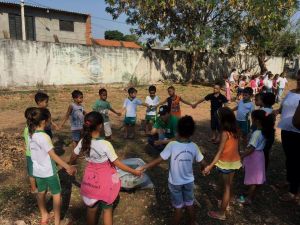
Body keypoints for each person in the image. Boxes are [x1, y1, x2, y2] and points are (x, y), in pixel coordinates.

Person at [69, 111, 142, 225]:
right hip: (105, 181)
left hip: (90, 180)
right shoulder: (105, 144)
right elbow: (117, 163)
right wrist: (134, 171)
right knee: (107, 210)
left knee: (91, 209)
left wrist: (70, 164)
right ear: (100, 126)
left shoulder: (84, 141)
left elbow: (74, 155)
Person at [141, 116, 205, 225]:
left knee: (178, 208)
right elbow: (202, 162)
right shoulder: (194, 146)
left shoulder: (172, 145)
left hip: (175, 183)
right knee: (190, 204)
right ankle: (192, 222)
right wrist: (204, 168)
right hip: (189, 182)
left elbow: (158, 160)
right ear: (192, 132)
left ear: (178, 130)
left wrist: (144, 167)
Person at [27, 107, 76, 225]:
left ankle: (44, 216)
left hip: (37, 171)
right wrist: (67, 167)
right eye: (49, 119)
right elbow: (53, 155)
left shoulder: (31, 134)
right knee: (56, 194)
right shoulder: (44, 137)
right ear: (44, 121)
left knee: (41, 192)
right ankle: (57, 222)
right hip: (49, 171)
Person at [204, 107, 241, 221]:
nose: (217, 119)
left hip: (226, 163)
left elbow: (219, 152)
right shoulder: (236, 129)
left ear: (223, 119)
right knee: (229, 184)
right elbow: (234, 147)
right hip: (234, 162)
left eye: (218, 118)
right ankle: (227, 202)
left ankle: (221, 213)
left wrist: (209, 166)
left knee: (226, 188)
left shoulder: (225, 132)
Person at [238, 110, 274, 204]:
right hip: (260, 156)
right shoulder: (265, 131)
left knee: (253, 179)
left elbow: (251, 149)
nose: (251, 120)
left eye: (252, 118)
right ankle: (251, 193)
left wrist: (241, 155)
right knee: (256, 178)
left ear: (257, 121)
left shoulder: (256, 133)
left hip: (253, 157)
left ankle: (248, 198)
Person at [276, 71, 300, 202]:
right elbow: (282, 107)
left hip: (297, 133)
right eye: (298, 79)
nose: (299, 82)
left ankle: (293, 191)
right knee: (289, 159)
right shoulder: (291, 92)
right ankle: (288, 180)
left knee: (296, 161)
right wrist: (275, 111)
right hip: (286, 129)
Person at [24, 107, 37, 194]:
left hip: (29, 153)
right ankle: (34, 188)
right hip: (35, 153)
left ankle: (34, 188)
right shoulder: (36, 129)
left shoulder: (26, 128)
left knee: (31, 172)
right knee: (36, 171)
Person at [261, 93, 276, 169]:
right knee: (266, 152)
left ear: (262, 101)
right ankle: (264, 168)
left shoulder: (261, 111)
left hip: (261, 132)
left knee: (260, 150)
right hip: (270, 133)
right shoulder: (273, 112)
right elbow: (273, 121)